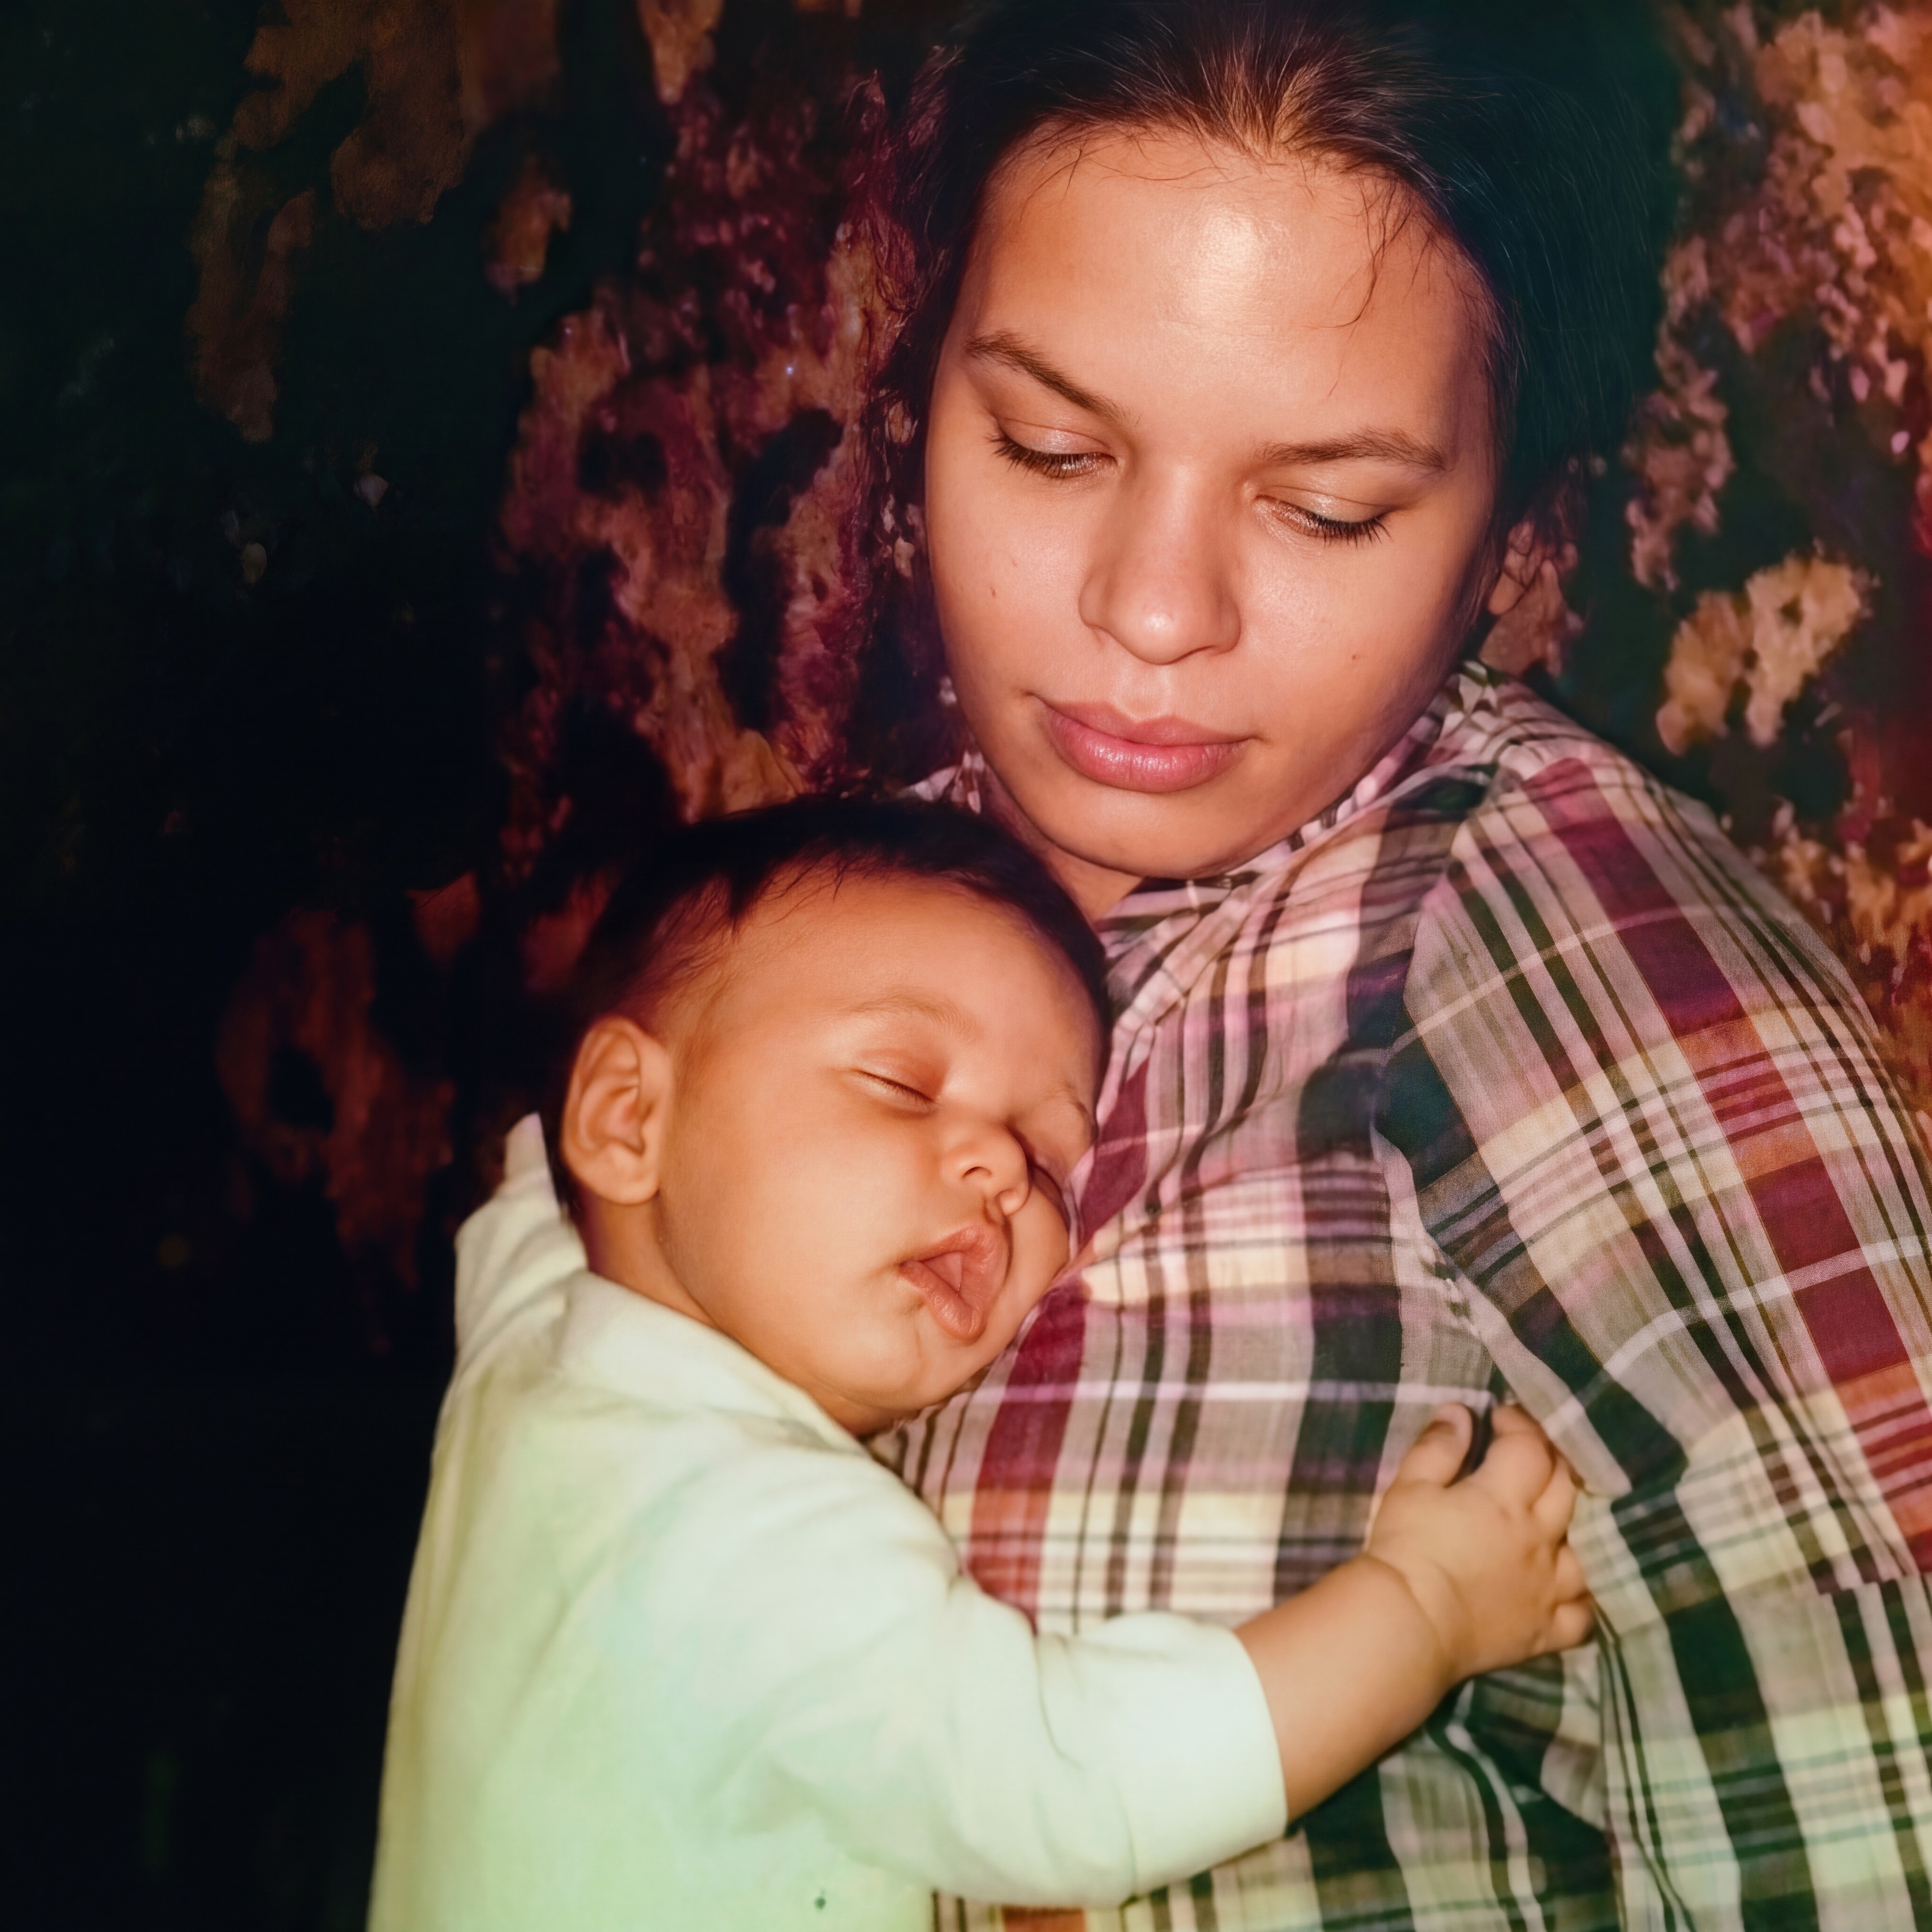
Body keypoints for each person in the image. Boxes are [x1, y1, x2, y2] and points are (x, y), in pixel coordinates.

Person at [366, 797, 1591, 1931]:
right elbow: (1066, 1789)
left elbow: (535, 1187)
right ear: (628, 1121)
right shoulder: (748, 1537)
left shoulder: (526, 1344)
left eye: (1055, 1166)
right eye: (902, 1083)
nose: (1003, 1170)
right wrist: (1423, 1614)